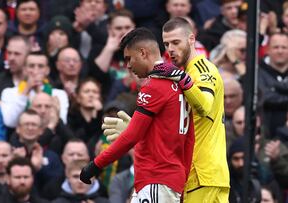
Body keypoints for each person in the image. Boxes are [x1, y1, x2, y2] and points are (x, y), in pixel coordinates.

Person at [103, 17, 230, 202]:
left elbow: (205, 105)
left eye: (176, 42)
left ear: (191, 39)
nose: (170, 49)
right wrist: (138, 130)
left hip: (202, 173)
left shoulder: (202, 70)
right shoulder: (181, 75)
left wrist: (180, 77)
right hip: (197, 174)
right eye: (166, 44)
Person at [80, 27, 195, 202]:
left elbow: (130, 137)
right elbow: (189, 139)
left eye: (129, 58)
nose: (128, 66)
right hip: (168, 180)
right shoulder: (180, 85)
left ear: (142, 53)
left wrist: (95, 165)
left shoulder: (154, 87)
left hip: (156, 178)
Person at [0, 35, 31, 104]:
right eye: (9, 53)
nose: (11, 58)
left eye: (17, 54)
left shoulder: (38, 81)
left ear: (28, 56)